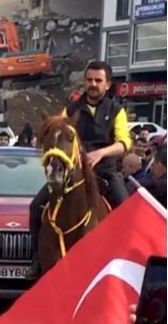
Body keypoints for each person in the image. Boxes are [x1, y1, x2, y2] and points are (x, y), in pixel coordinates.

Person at [29, 61, 132, 261]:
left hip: (105, 172)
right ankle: (36, 258)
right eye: (89, 80)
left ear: (108, 84)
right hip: (72, 172)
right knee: (35, 208)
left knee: (126, 211)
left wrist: (100, 153)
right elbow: (58, 132)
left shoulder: (117, 110)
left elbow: (124, 143)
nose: (93, 84)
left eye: (98, 80)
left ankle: (125, 260)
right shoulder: (71, 108)